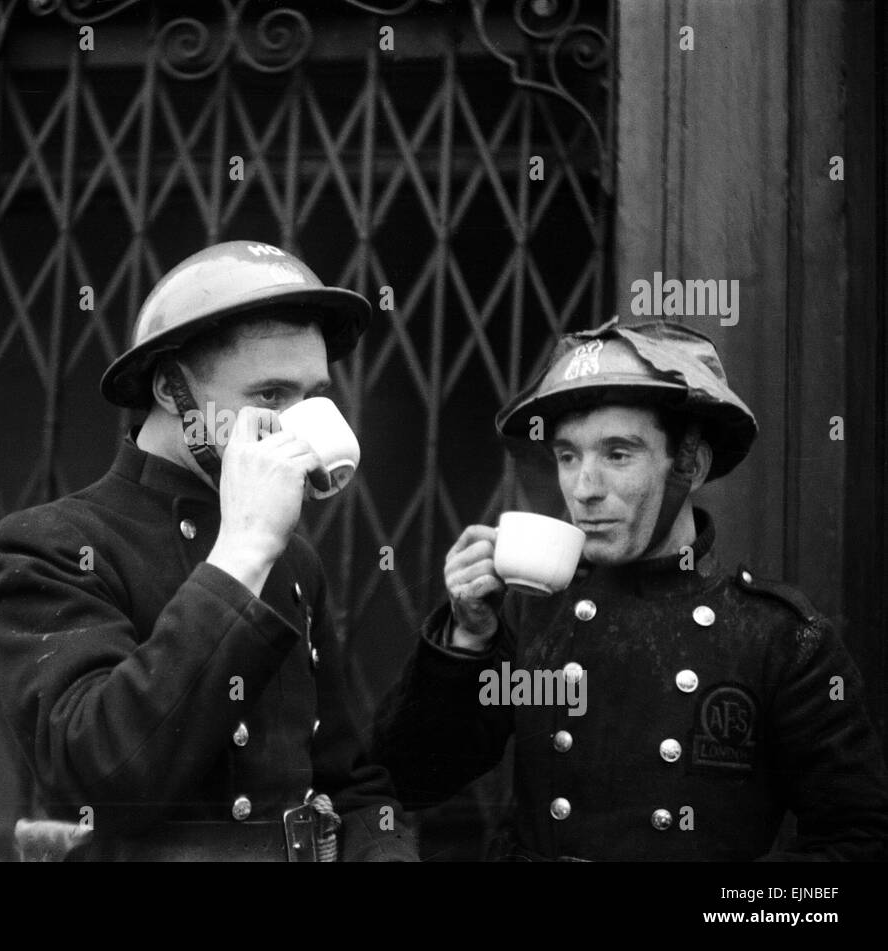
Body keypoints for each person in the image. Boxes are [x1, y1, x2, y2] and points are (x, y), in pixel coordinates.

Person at [373, 318, 888, 861]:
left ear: (690, 465)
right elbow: (409, 779)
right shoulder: (537, 613)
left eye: (618, 454)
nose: (585, 489)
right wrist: (466, 639)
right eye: (569, 456)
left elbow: (858, 843)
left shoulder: (778, 637)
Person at [0, 240, 417, 861]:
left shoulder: (294, 561)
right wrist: (240, 554)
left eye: (313, 396)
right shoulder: (52, 544)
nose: (297, 422)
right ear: (169, 389)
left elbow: (347, 782)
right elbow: (103, 775)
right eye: (269, 396)